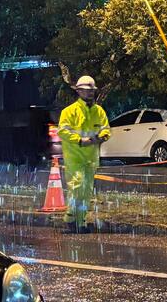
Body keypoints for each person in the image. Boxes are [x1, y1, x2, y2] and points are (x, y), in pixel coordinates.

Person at [56, 75, 111, 233]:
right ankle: (70, 218)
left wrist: (102, 136)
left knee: (86, 192)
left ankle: (81, 223)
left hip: (91, 159)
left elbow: (106, 128)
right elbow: (63, 131)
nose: (90, 93)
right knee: (77, 187)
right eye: (86, 91)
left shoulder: (98, 111)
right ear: (78, 91)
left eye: (91, 90)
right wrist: (80, 140)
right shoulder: (70, 111)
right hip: (75, 158)